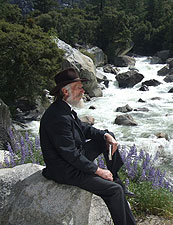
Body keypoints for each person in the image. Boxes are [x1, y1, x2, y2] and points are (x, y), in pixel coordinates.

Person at [39, 67, 136, 225]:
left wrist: (106, 135)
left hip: (72, 160)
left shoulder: (65, 109)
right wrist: (98, 171)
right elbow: (69, 154)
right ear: (65, 91)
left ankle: (115, 176)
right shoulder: (58, 117)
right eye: (79, 87)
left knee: (107, 136)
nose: (83, 91)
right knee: (114, 191)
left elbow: (84, 129)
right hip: (65, 170)